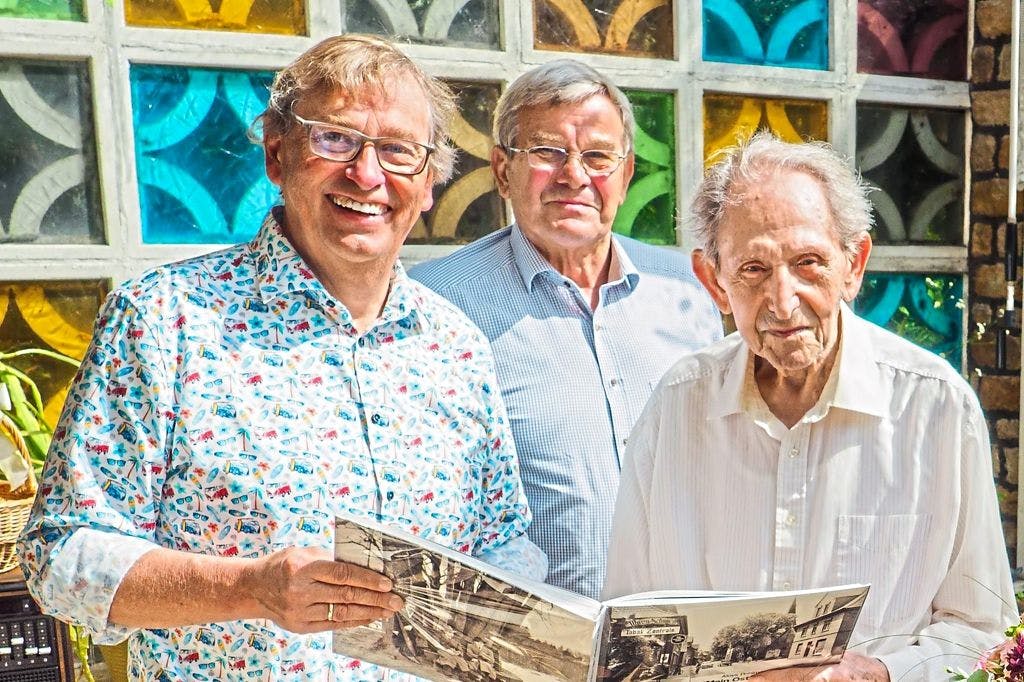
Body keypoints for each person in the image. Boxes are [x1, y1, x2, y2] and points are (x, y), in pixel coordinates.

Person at [19, 34, 544, 681]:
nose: (367, 175)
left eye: (398, 152)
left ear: (430, 184)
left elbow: (503, 539)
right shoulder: (164, 320)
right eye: (335, 140)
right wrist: (249, 587)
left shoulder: (456, 345)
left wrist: (514, 612)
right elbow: (60, 559)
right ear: (277, 152)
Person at [603, 131, 1017, 681]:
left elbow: (983, 633)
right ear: (715, 282)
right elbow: (628, 624)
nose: (783, 301)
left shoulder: (934, 408)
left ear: (854, 264)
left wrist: (879, 674)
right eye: (753, 269)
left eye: (808, 262)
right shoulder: (676, 407)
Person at [410, 60, 722, 599]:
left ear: (625, 177)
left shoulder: (688, 292)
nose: (574, 175)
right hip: (530, 644)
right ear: (503, 171)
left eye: (598, 156)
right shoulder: (437, 301)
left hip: (687, 633)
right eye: (548, 152)